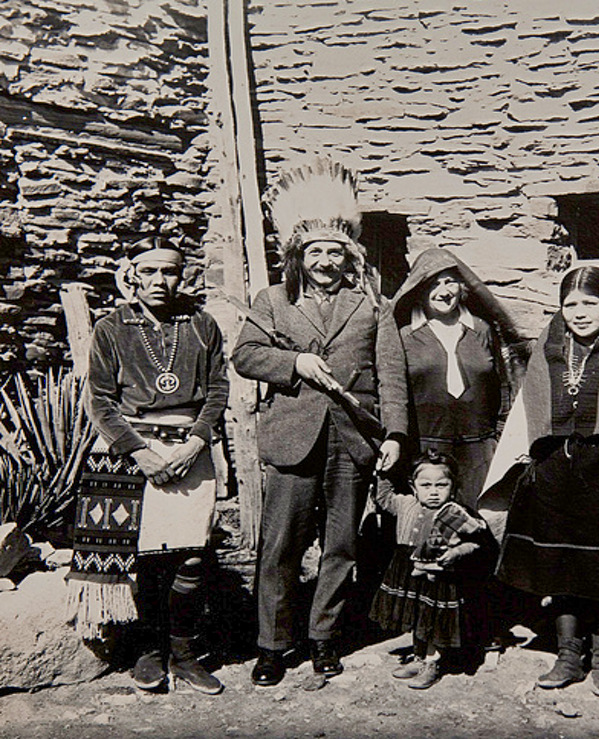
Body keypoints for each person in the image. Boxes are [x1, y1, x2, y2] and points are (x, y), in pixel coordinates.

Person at [232, 157, 408, 688]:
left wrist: (395, 434)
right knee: (280, 545)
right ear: (299, 257)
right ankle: (272, 644)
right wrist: (293, 364)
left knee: (341, 546)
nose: (326, 261)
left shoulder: (372, 307)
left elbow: (391, 374)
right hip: (293, 439)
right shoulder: (275, 302)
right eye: (316, 252)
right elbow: (245, 355)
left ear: (348, 256)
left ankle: (325, 638)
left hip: (351, 442)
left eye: (335, 252)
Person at [68, 237, 229, 695]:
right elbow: (99, 399)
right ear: (134, 274)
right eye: (151, 272)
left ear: (184, 275)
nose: (161, 281)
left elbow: (218, 389)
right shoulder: (112, 327)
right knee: (143, 559)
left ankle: (184, 653)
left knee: (191, 554)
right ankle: (147, 651)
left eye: (170, 272)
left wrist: (197, 442)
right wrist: (139, 452)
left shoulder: (201, 324)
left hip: (190, 452)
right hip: (129, 451)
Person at [492, 266, 599, 697]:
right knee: (561, 567)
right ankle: (568, 655)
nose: (580, 313)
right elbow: (526, 408)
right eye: (571, 304)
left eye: (591, 303)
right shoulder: (547, 347)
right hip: (555, 472)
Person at [391, 248, 523, 509]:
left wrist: (497, 439)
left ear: (462, 286)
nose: (443, 292)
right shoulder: (404, 336)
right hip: (425, 451)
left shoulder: (482, 330)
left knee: (480, 523)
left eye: (449, 281)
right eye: (433, 284)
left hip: (480, 451)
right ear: (419, 288)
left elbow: (504, 386)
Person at [370, 450, 493, 689]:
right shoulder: (405, 504)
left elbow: (475, 541)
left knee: (432, 618)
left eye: (441, 485)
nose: (433, 491)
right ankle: (418, 656)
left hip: (439, 575)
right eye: (425, 485)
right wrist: (383, 472)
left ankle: (432, 662)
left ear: (453, 487)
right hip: (407, 567)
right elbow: (383, 498)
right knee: (416, 614)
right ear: (413, 487)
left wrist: (456, 553)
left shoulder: (455, 513)